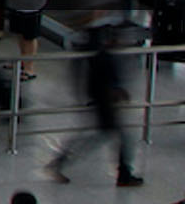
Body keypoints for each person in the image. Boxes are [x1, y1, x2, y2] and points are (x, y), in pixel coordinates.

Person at [45, 25, 143, 186]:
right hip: (103, 102)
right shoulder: (102, 55)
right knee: (110, 137)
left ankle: (58, 162)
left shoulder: (97, 53)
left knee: (96, 137)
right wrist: (115, 91)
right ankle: (123, 175)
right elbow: (102, 80)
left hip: (101, 101)